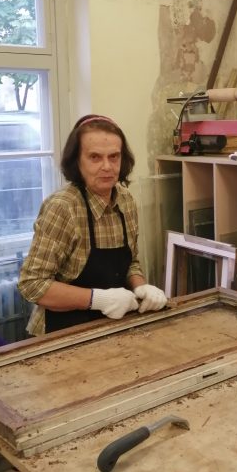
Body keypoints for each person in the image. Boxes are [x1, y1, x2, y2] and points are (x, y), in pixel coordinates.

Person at [18, 114, 167, 336]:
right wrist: (99, 299)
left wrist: (141, 287)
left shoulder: (126, 201)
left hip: (109, 328)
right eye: (95, 157)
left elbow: (131, 262)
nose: (107, 166)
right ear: (77, 162)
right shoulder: (63, 208)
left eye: (114, 157)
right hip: (61, 333)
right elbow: (32, 284)